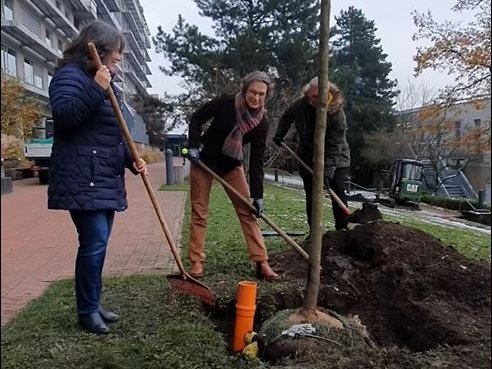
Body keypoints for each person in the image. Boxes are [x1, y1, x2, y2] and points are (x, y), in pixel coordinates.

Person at [48, 21, 148, 335]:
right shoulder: (69, 77)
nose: (118, 62)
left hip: (104, 176)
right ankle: (86, 310)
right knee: (93, 243)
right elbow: (65, 120)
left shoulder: (103, 81)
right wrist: (96, 87)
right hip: (82, 176)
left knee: (99, 245)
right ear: (99, 50)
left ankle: (93, 302)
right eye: (116, 56)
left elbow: (111, 135)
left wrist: (133, 160)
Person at [186, 71, 279, 281]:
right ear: (245, 90)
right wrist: (193, 146)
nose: (256, 97)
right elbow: (197, 118)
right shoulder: (225, 102)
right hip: (204, 161)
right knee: (199, 212)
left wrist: (258, 196)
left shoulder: (261, 123)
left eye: (261, 94)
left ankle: (262, 261)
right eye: (253, 92)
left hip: (231, 165)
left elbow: (256, 161)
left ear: (266, 96)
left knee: (248, 212)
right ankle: (196, 261)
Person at [273, 77, 351, 232]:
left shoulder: (336, 113)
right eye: (309, 96)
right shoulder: (301, 105)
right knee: (312, 194)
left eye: (315, 97)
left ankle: (343, 229)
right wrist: (279, 134)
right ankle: (314, 232)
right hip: (308, 157)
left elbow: (335, 146)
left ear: (328, 94)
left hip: (336, 159)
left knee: (337, 188)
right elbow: (287, 116)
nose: (310, 100)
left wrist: (327, 174)